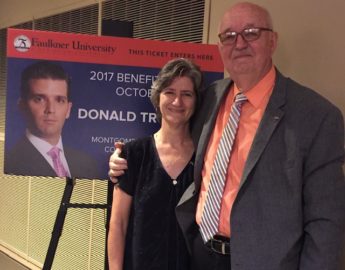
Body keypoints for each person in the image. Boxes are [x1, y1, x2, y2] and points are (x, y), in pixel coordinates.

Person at [108, 2, 345, 270]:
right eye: (229, 36)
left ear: (272, 41)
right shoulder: (209, 98)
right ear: (220, 47)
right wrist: (121, 161)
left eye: (251, 32)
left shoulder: (316, 117)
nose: (239, 43)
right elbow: (175, 140)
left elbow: (327, 223)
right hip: (196, 254)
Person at [107, 58, 203, 270]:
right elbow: (118, 224)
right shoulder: (133, 155)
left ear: (196, 101)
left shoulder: (206, 157)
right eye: (170, 92)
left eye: (186, 94)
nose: (177, 102)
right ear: (157, 97)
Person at [4, 60, 100, 179]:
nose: (50, 109)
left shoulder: (87, 163)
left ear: (68, 109)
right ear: (22, 106)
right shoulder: (10, 162)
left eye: (59, 100)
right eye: (39, 99)